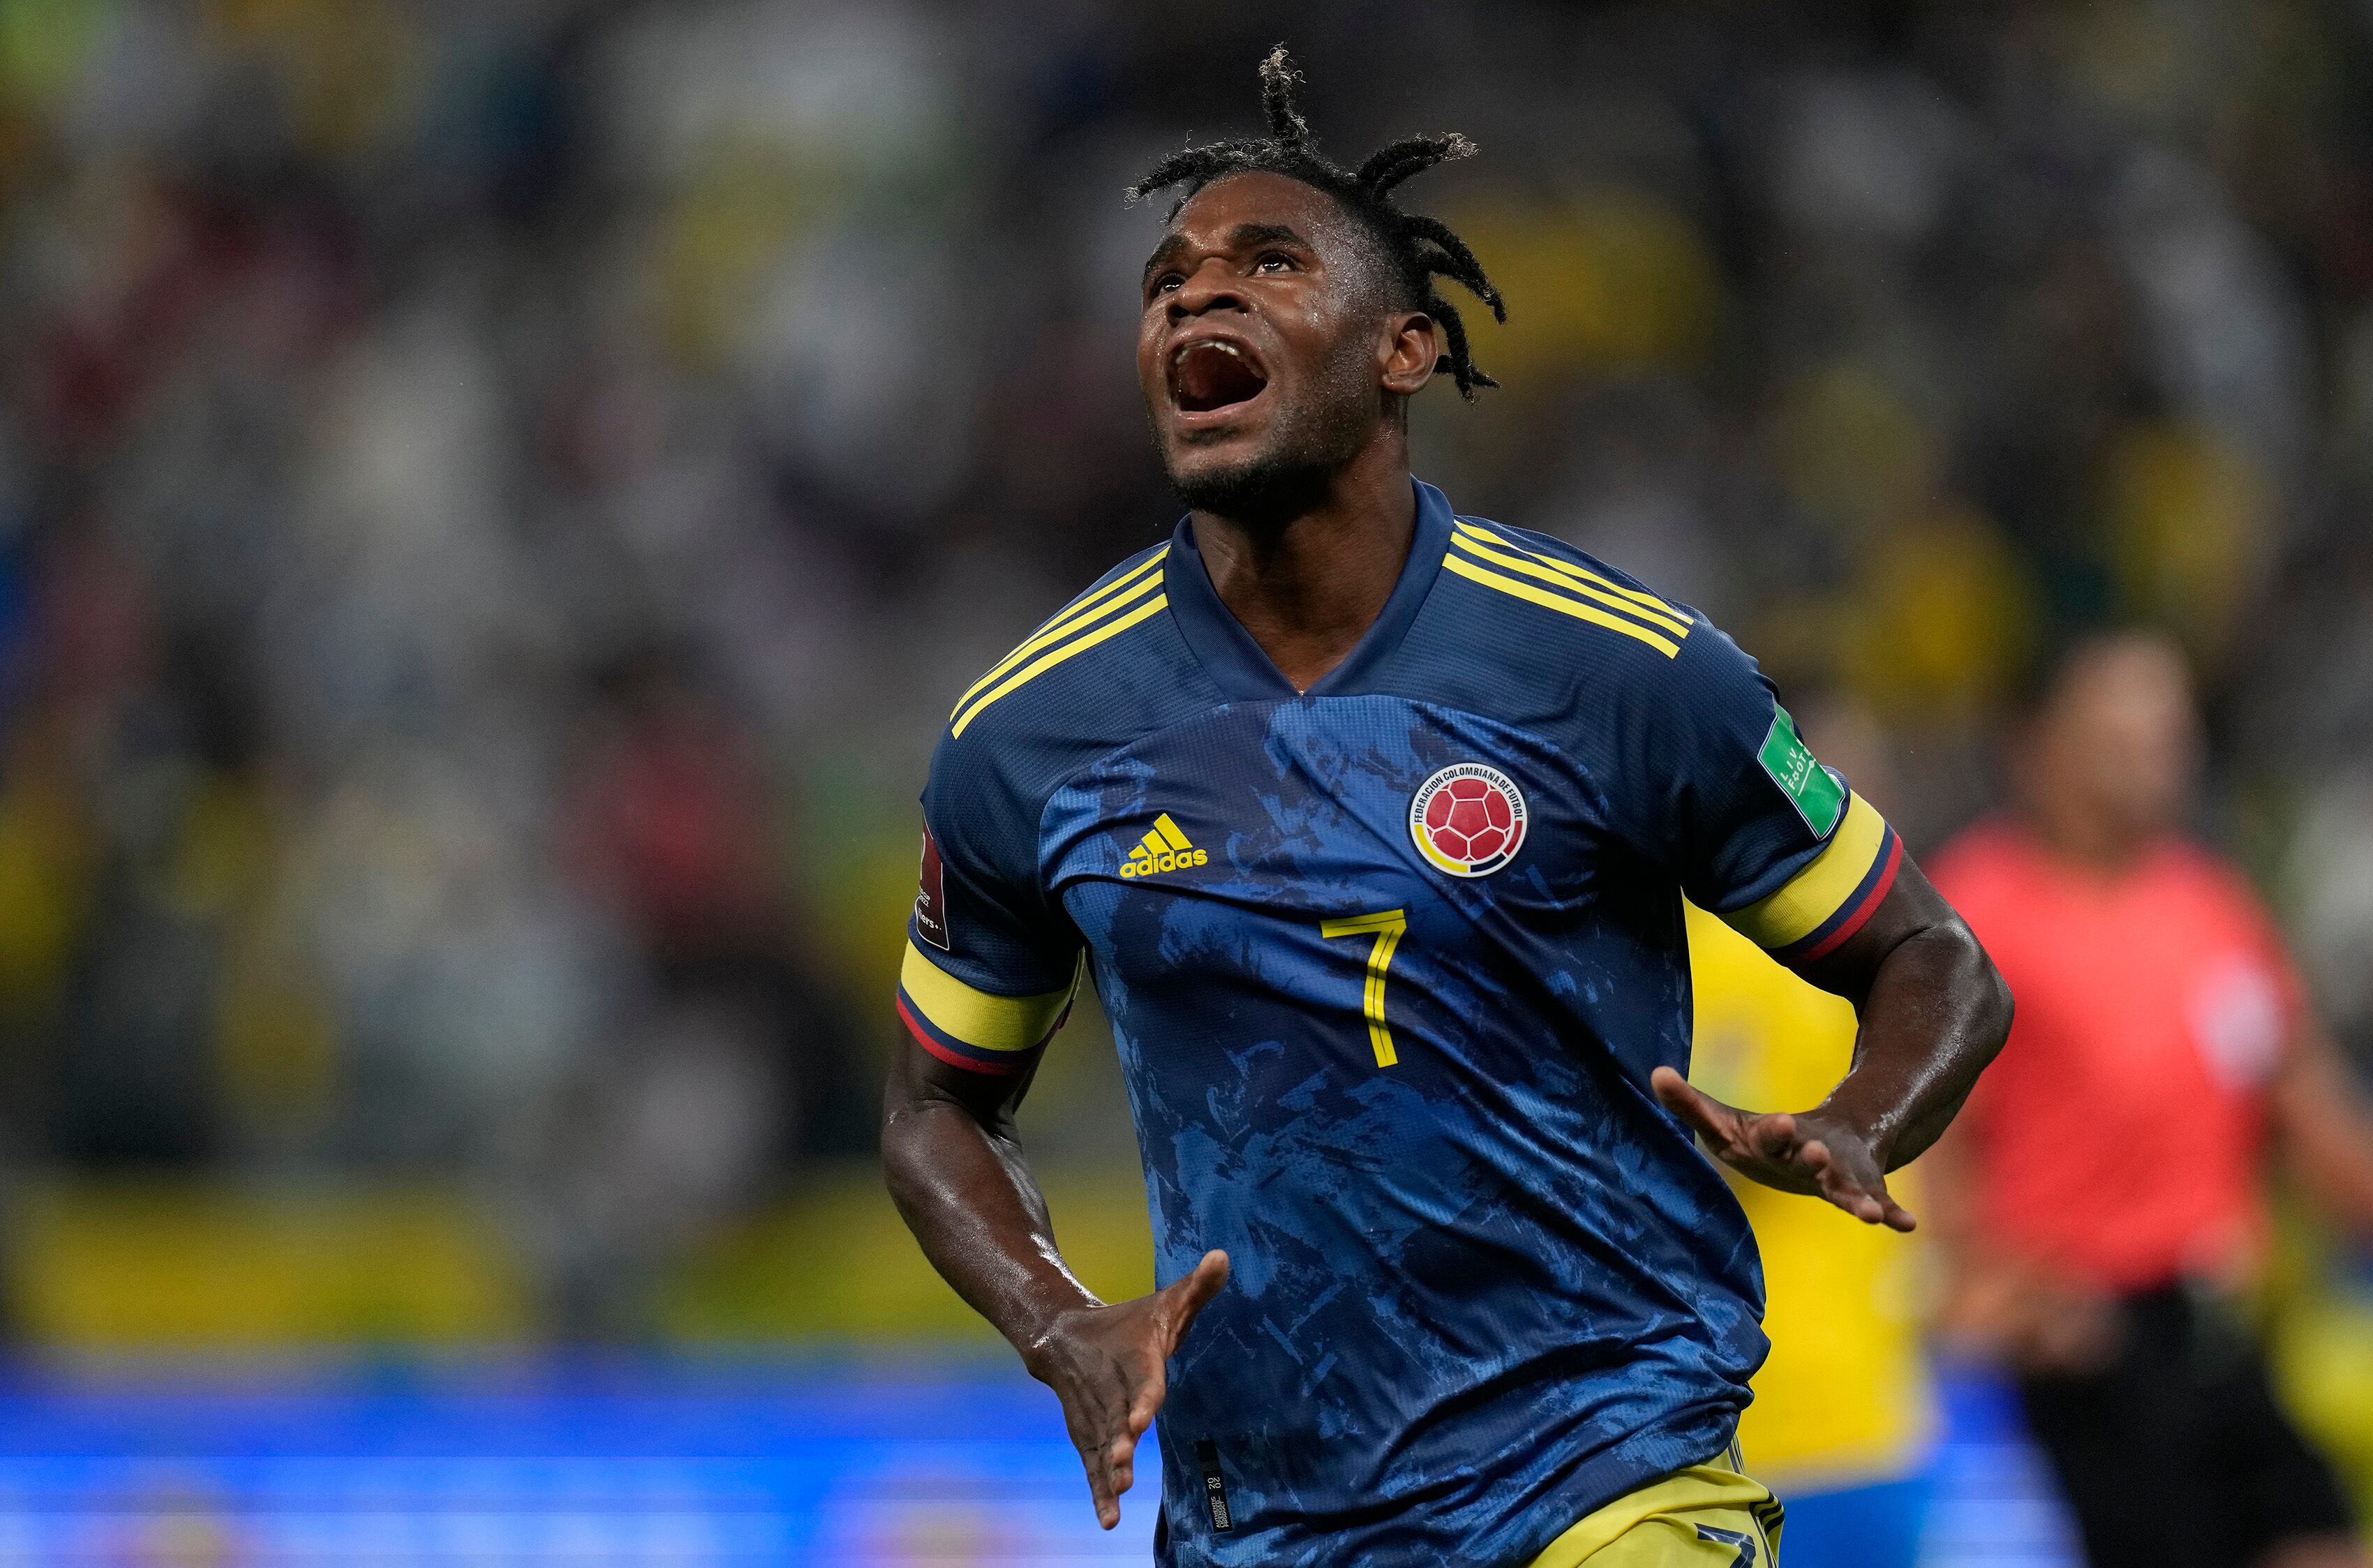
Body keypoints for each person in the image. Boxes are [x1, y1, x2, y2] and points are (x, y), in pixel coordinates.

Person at [879, 49, 2013, 1567]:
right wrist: (1058, 1317)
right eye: (1165, 279)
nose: (1191, 299)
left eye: (1265, 262)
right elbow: (937, 1099)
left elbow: (1931, 956)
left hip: (1607, 1467)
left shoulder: (1616, 666)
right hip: (1261, 1519)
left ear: (1403, 346)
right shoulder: (1024, 732)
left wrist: (1860, 1120)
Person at [1928, 632, 2373, 1568]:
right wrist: (1990, 1294)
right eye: (2118, 739)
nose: (2151, 765)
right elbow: (1928, 1142)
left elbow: (2305, 1101)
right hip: (2084, 1337)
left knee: (2323, 1532)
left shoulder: (2210, 904)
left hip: (2215, 1320)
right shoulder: (1981, 911)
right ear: (2038, 746)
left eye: (2168, 738)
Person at [1684, 699, 1937, 1568]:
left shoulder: (1900, 958)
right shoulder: (1695, 950)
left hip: (1868, 1408)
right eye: (1827, 785)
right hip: (1751, 1414)